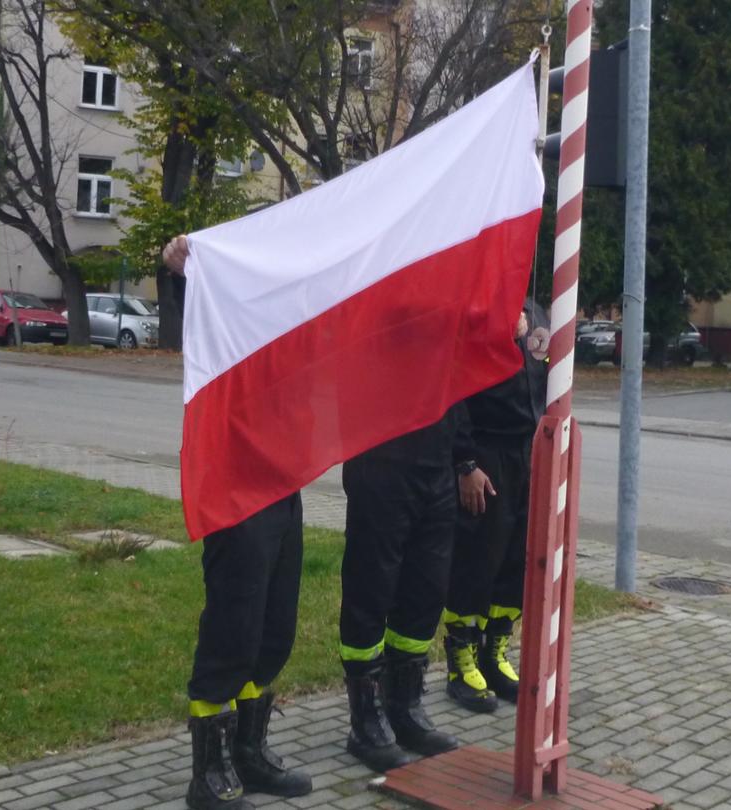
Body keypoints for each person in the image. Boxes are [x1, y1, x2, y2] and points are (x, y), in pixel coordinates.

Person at [165, 235, 312, 810]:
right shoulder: (224, 310)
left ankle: (248, 750)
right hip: (235, 490)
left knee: (274, 628)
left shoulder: (292, 314)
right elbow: (193, 306)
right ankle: (208, 773)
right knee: (234, 626)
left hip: (283, 486)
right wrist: (181, 268)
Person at [338, 405, 468, 772]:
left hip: (437, 465)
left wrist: (464, 458)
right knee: (370, 591)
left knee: (425, 592)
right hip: (381, 462)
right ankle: (365, 720)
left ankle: (404, 707)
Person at [443, 301, 549, 713]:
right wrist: (465, 462)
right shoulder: (477, 307)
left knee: (514, 562)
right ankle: (461, 661)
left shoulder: (537, 311)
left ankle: (495, 651)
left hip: (529, 450)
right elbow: (456, 388)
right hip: (487, 453)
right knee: (477, 559)